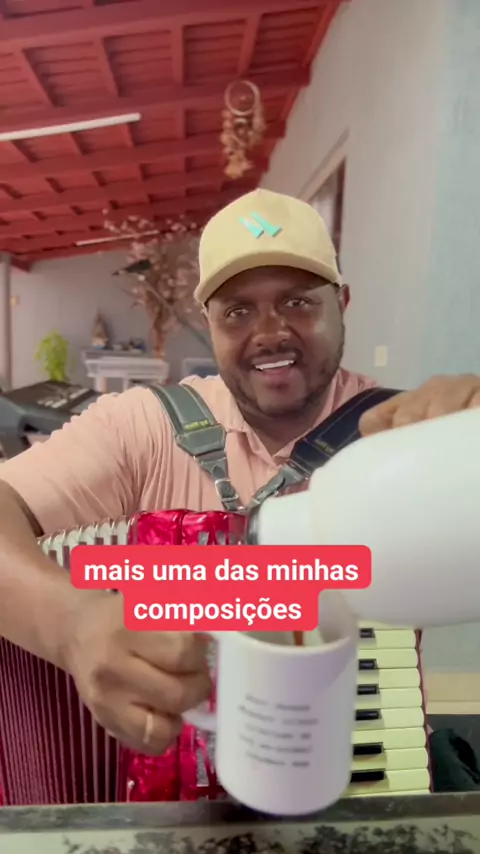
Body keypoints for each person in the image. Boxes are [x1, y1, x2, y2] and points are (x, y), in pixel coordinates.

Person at [0, 187, 479, 761]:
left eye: (298, 302)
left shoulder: (402, 437)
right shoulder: (141, 426)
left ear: (342, 303)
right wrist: (69, 625)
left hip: (357, 761)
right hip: (164, 774)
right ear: (210, 322)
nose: (270, 331)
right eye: (237, 311)